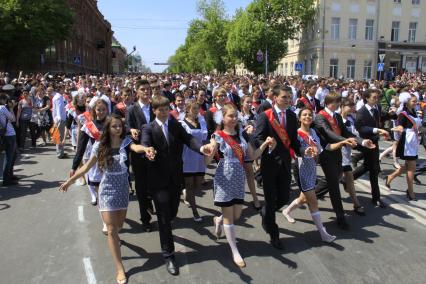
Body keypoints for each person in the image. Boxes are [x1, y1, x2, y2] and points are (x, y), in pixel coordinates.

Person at [60, 115, 156, 284]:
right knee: (111, 230)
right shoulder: (100, 146)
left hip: (123, 190)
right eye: (115, 126)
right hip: (107, 190)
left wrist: (146, 149)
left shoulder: (126, 142)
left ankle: (116, 238)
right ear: (108, 129)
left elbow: (136, 147)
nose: (118, 129)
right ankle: (120, 268)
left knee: (119, 226)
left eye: (120, 126)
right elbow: (87, 167)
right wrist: (70, 180)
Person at [141, 96, 213, 276]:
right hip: (158, 180)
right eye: (160, 109)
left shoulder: (175, 125)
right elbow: (145, 144)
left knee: (172, 211)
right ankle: (169, 255)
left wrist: (201, 148)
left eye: (166, 108)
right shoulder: (148, 128)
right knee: (165, 218)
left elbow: (188, 139)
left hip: (175, 178)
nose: (164, 112)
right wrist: (148, 151)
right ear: (154, 110)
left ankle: (166, 221)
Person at [208, 103, 276, 267]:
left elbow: (252, 156)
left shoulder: (242, 136)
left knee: (236, 215)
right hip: (224, 177)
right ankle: (234, 250)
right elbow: (209, 156)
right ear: (222, 118)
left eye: (235, 115)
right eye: (230, 116)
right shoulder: (217, 135)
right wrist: (208, 151)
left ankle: (218, 220)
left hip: (239, 178)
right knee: (230, 218)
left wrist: (265, 144)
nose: (233, 119)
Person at [282, 108, 353, 242]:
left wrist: (342, 142)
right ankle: (323, 233)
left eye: (310, 115)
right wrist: (305, 151)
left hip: (312, 169)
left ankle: (286, 211)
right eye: (304, 115)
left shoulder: (313, 132)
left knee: (303, 198)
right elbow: (295, 151)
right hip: (301, 169)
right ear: (299, 118)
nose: (307, 117)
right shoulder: (297, 134)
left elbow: (326, 148)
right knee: (313, 201)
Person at [252, 86, 301, 250]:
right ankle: (274, 235)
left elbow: (294, 141)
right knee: (271, 199)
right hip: (270, 164)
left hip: (285, 163)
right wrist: (265, 143)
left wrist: (303, 151)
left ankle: (265, 213)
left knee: (284, 197)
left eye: (289, 97)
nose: (287, 100)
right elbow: (256, 138)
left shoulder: (292, 116)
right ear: (275, 98)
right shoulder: (265, 116)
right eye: (284, 97)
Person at [314, 92, 371, 230]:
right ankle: (341, 218)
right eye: (336, 102)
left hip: (338, 154)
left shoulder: (337, 116)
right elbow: (329, 133)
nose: (338, 104)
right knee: (334, 187)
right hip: (327, 154)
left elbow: (346, 132)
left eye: (339, 101)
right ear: (328, 103)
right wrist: (345, 141)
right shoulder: (320, 117)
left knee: (330, 183)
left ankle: (306, 198)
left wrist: (362, 141)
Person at [125, 79, 155, 232]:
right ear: (137, 92)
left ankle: (150, 201)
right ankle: (145, 219)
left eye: (148, 89)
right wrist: (131, 130)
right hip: (139, 154)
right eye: (143, 89)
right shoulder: (131, 109)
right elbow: (126, 126)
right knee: (142, 186)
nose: (146, 92)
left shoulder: (155, 107)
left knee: (155, 183)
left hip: (155, 151)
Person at [353, 89, 389, 208]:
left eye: (377, 97)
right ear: (367, 98)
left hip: (375, 141)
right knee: (373, 169)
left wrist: (392, 114)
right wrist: (376, 130)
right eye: (374, 97)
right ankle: (376, 198)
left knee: (369, 166)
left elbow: (380, 120)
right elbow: (360, 128)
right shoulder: (361, 112)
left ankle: (347, 178)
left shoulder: (377, 108)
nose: (376, 99)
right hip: (366, 143)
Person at [385, 94, 422, 201]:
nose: (416, 103)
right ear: (407, 102)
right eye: (414, 101)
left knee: (408, 167)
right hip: (407, 142)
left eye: (416, 101)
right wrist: (398, 129)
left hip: (414, 141)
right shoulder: (403, 114)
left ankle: (390, 177)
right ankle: (410, 191)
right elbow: (400, 125)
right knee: (412, 168)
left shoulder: (414, 112)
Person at [181, 101, 208, 222]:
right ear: (187, 110)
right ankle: (195, 211)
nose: (196, 111)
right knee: (190, 185)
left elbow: (204, 137)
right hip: (187, 156)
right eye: (194, 109)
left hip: (199, 156)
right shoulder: (182, 123)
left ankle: (186, 192)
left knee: (198, 184)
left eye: (198, 109)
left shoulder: (201, 121)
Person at [339, 98, 365, 215]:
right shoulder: (336, 118)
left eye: (352, 106)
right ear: (342, 106)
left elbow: (354, 133)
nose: (352, 108)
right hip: (337, 152)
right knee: (334, 180)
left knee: (348, 176)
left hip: (347, 152)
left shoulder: (350, 119)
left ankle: (356, 203)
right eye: (349, 106)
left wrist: (359, 141)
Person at [0, 93, 18, 186]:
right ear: (3, 100)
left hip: (5, 134)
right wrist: (11, 108)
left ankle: (10, 175)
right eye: (6, 100)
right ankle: (6, 179)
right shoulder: (2, 108)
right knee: (9, 157)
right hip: (9, 134)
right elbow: (12, 118)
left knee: (13, 155)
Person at [51, 86, 68, 159]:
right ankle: (60, 153)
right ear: (60, 89)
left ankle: (61, 152)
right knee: (59, 136)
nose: (64, 90)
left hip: (58, 118)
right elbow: (58, 108)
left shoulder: (58, 96)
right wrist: (60, 119)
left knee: (59, 136)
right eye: (63, 89)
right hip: (60, 119)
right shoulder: (58, 97)